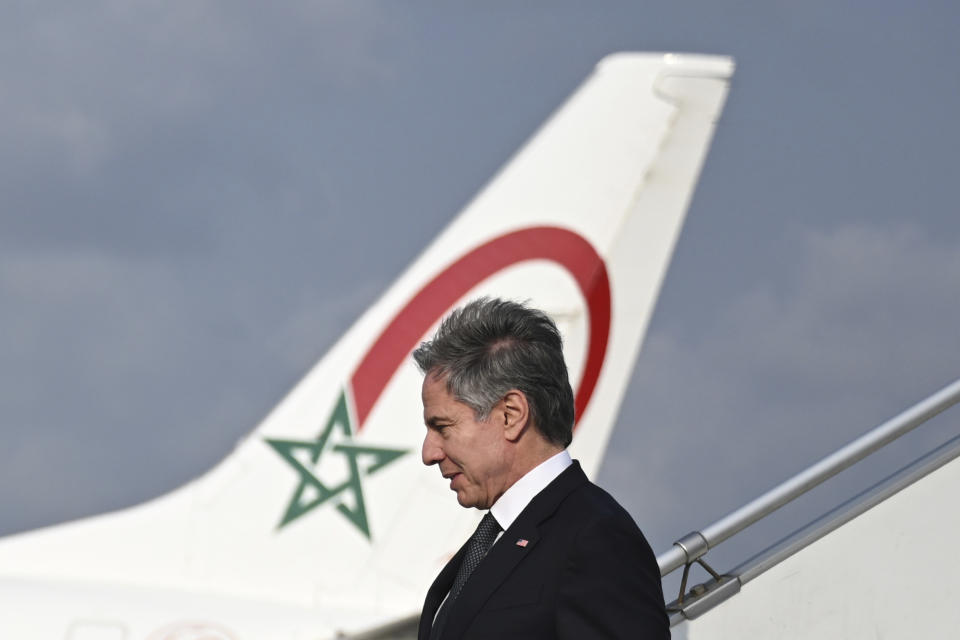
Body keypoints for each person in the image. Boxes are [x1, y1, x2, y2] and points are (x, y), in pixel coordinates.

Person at [413, 297, 669, 640]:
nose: (429, 453)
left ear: (511, 415)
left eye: (443, 427)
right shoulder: (493, 539)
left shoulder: (595, 539)